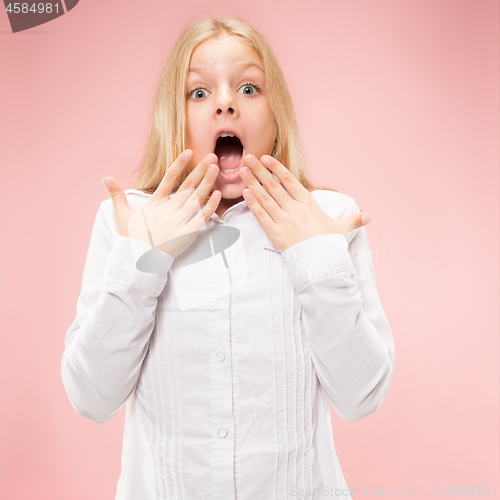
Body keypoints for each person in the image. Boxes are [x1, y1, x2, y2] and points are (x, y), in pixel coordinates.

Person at [61, 15, 395, 500]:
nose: (224, 102)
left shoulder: (328, 219)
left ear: (276, 114)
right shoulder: (129, 222)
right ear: (173, 119)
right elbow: (91, 399)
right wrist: (142, 260)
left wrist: (316, 257)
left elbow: (361, 397)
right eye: (198, 93)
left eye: (249, 88)